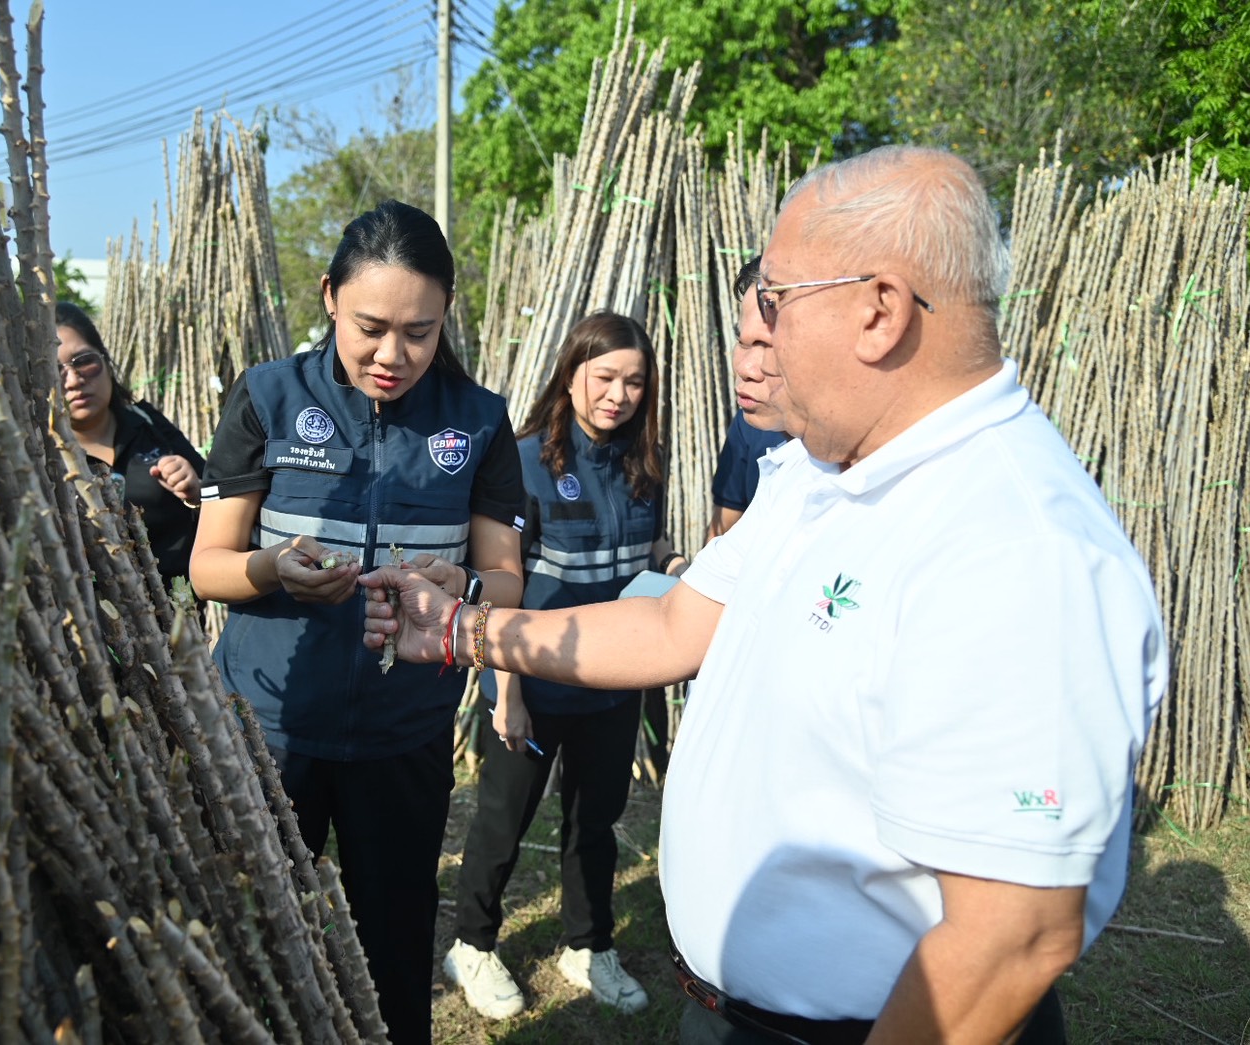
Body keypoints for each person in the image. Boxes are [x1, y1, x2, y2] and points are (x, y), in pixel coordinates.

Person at [360, 147, 1167, 1044]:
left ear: (878, 310)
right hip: (736, 1014)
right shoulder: (820, 476)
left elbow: (1011, 935)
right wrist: (464, 629)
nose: (759, 341)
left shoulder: (1014, 547)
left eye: (776, 302)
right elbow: (671, 623)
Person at [188, 200, 525, 1045]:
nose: (392, 355)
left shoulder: (479, 419)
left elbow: (505, 579)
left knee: (395, 951)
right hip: (266, 729)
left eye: (419, 332)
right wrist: (273, 569)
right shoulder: (269, 395)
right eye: (370, 327)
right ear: (329, 296)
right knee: (256, 942)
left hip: (402, 734)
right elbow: (207, 564)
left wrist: (462, 587)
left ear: (446, 315)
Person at [444, 311, 688, 1020]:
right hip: (534, 681)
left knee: (596, 820)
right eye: (604, 377)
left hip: (614, 680)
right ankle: (471, 943)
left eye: (634, 382)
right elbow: (502, 585)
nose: (618, 395)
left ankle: (588, 943)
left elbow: (647, 545)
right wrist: (508, 694)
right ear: (571, 373)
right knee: (503, 818)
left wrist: (674, 564)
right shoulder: (524, 461)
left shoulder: (645, 460)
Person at [55, 302, 204, 583]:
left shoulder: (146, 422)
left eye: (84, 361)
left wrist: (195, 491)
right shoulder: (42, 458)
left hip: (180, 604)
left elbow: (219, 498)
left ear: (105, 360)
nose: (73, 380)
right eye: (55, 370)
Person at [704, 257, 789, 544]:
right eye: (743, 342)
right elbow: (723, 534)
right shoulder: (750, 424)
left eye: (768, 345)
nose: (745, 368)